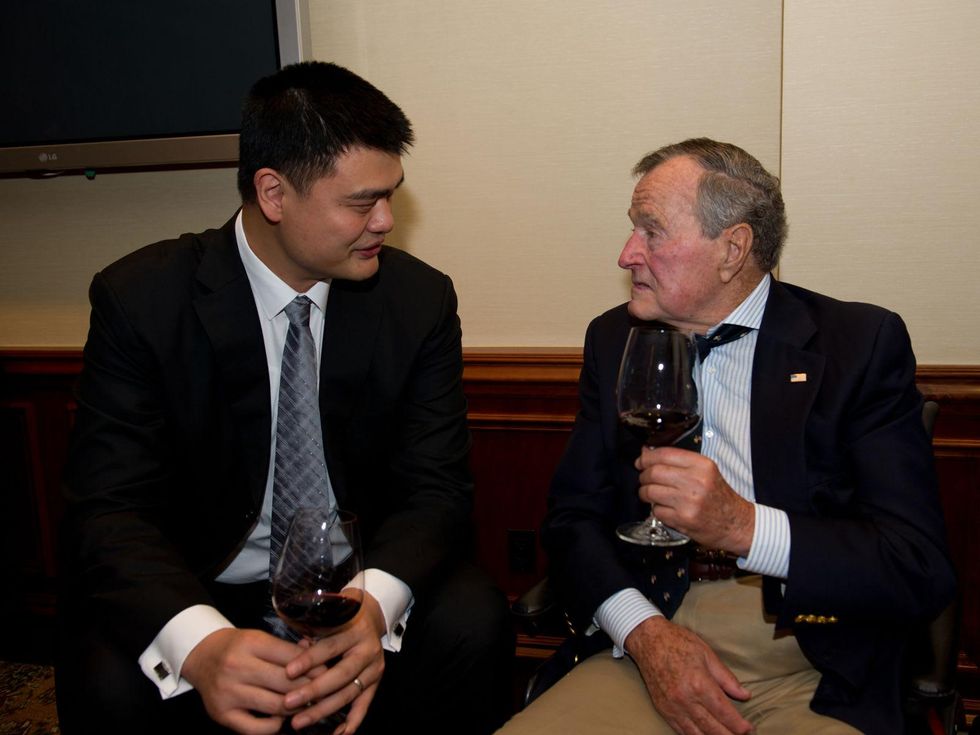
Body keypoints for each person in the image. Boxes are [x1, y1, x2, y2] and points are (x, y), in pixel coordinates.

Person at [55, 60, 513, 735]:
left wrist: (372, 608)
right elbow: (109, 510)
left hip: (353, 577)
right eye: (362, 201)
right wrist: (204, 645)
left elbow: (437, 489)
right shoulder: (142, 300)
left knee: (473, 618)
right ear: (274, 193)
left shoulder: (417, 300)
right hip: (204, 584)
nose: (386, 220)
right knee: (109, 674)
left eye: (392, 194)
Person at [497, 138, 955, 735]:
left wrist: (741, 526)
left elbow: (916, 564)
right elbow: (572, 518)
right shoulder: (613, 341)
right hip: (649, 625)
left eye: (651, 231)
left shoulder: (856, 346)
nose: (626, 254)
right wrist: (645, 635)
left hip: (809, 654)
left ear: (732, 248)